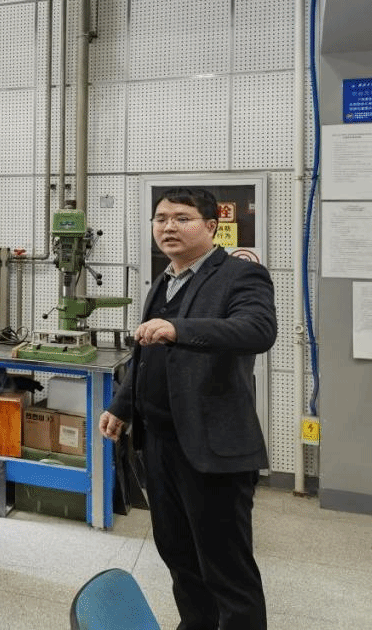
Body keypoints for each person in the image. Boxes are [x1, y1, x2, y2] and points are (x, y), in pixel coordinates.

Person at [98, 187, 276, 630]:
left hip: (212, 448)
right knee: (178, 555)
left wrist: (179, 329)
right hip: (160, 445)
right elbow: (147, 355)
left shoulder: (240, 275)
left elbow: (257, 330)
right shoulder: (164, 280)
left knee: (226, 568)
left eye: (182, 218)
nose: (168, 227)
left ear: (211, 226)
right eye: (161, 219)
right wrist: (123, 405)